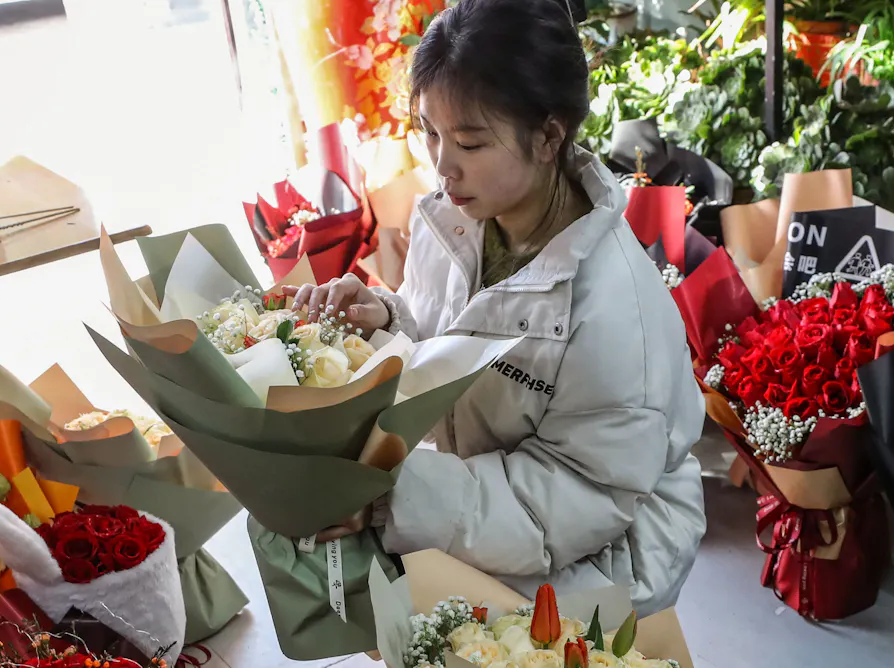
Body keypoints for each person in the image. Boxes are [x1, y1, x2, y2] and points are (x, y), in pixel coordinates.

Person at [288, 0, 705, 616]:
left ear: (548, 137)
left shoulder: (616, 307)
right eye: (430, 132)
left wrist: (389, 498)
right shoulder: (455, 221)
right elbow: (452, 342)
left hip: (600, 558)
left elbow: (575, 495)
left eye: (469, 142)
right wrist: (386, 323)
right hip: (486, 503)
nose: (442, 165)